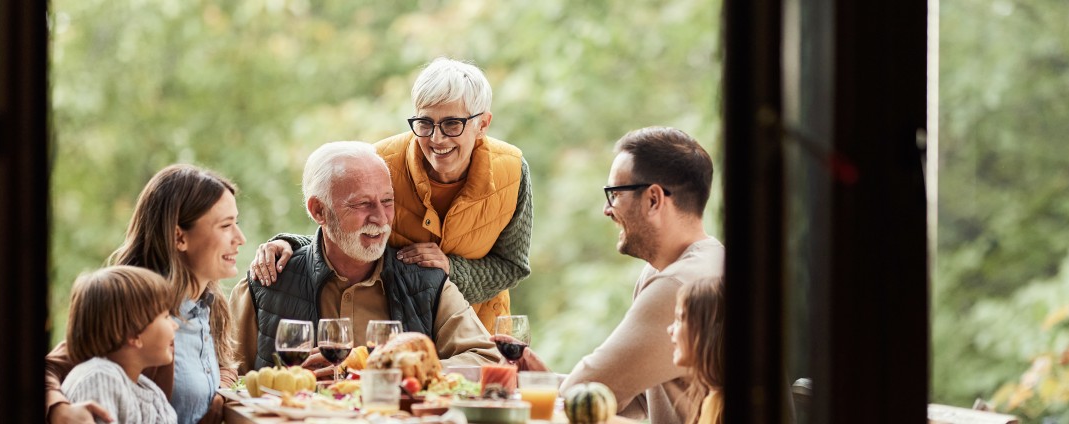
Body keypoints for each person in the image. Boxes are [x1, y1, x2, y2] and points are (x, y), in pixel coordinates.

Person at [250, 57, 532, 334]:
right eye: (425, 123)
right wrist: (290, 243)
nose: (436, 138)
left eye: (452, 124)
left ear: (482, 124)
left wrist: (450, 269)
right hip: (398, 332)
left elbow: (513, 266)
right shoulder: (379, 164)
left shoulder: (512, 171)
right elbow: (345, 236)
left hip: (480, 335)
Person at [229, 141, 501, 375]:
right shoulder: (266, 283)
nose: (381, 219)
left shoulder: (428, 283)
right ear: (319, 211)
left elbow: (488, 360)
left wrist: (386, 367)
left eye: (387, 201)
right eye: (362, 204)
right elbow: (226, 377)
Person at [520, 126, 724, 424]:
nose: (606, 209)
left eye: (614, 194)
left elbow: (581, 393)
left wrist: (544, 388)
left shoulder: (678, 284)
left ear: (654, 199)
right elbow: (629, 398)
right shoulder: (705, 260)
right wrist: (546, 382)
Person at [46, 164, 246, 424]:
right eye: (226, 225)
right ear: (179, 237)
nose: (240, 237)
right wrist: (60, 410)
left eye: (237, 223)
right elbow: (48, 367)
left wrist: (219, 395)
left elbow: (221, 366)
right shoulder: (135, 308)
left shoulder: (209, 305)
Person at [61, 266, 181, 424]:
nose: (175, 325)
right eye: (166, 316)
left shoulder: (150, 391)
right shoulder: (99, 379)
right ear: (133, 334)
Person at [668, 277, 723, 424]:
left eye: (679, 319)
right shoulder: (713, 397)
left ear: (706, 331)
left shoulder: (722, 405)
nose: (670, 329)